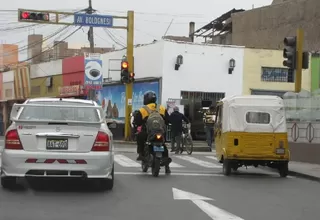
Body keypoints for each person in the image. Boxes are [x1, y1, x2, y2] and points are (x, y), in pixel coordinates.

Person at [133, 92, 171, 173]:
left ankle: (141, 154)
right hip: (160, 132)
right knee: (163, 144)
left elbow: (138, 122)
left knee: (139, 137)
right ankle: (167, 167)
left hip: (147, 133)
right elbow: (168, 121)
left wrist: (136, 125)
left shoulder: (143, 109)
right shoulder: (162, 108)